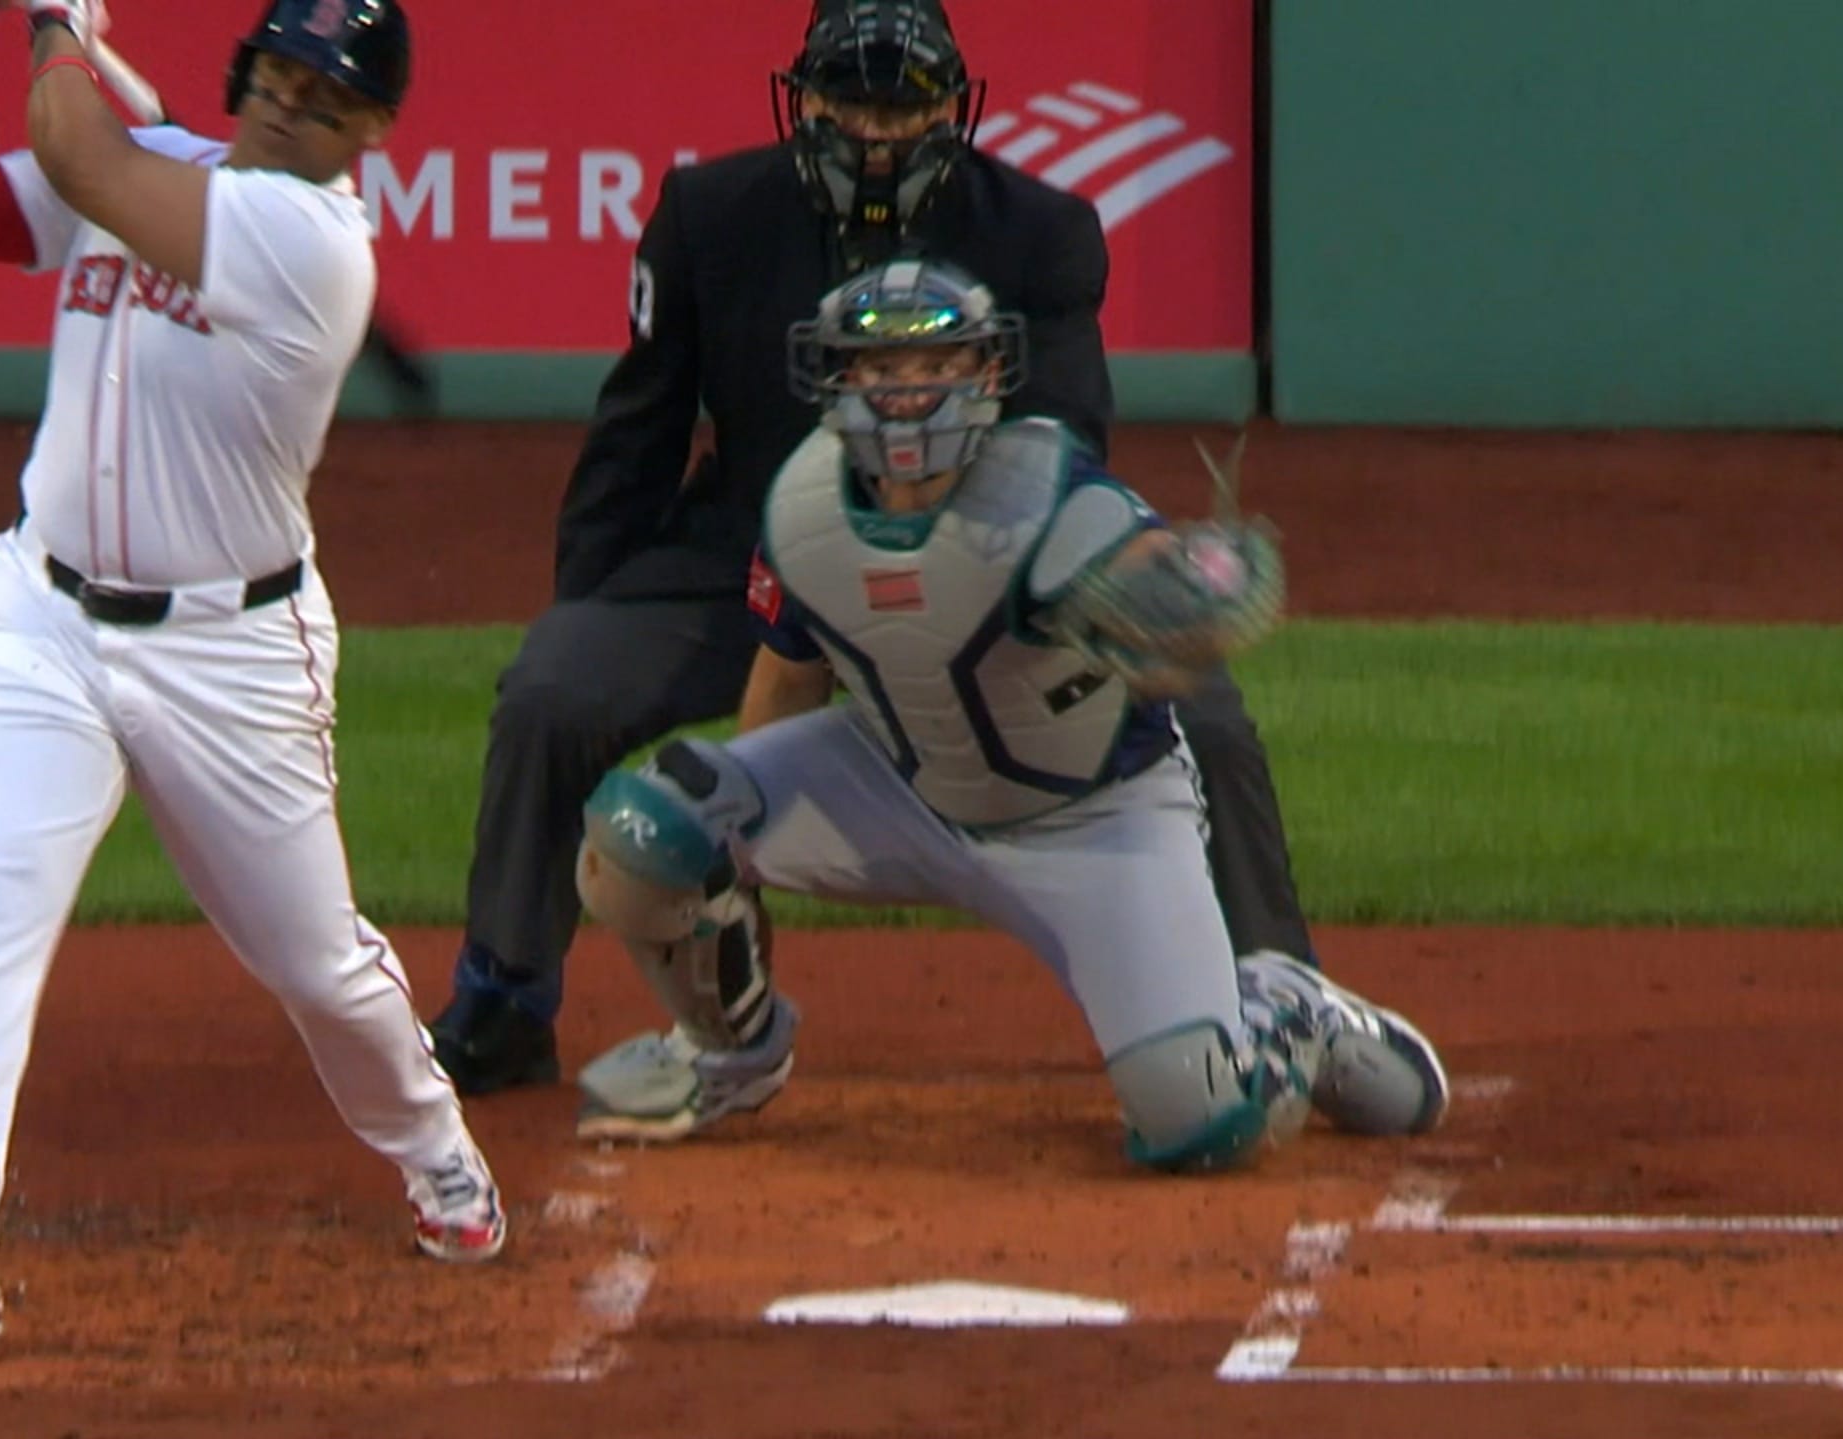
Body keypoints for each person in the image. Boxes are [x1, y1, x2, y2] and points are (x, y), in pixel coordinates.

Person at [428, 0, 1315, 1095]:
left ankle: (1284, 985)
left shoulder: (1040, 231)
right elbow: (636, 432)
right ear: (802, 100)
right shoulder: (711, 216)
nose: (875, 130)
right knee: (556, 689)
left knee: (1203, 718)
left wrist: (1058, 593)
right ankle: (505, 995)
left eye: (903, 105)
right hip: (760, 556)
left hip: (983, 572)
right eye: (850, 100)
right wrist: (588, 610)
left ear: (952, 108)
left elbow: (1064, 447)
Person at [0, 0, 503, 1358]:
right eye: (277, 74)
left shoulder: (310, 245)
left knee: (317, 965)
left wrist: (55, 22)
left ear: (370, 130)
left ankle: (433, 1144)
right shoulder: (164, 167)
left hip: (232, 655)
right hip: (40, 623)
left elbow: (81, 154)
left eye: (323, 94)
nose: (288, 103)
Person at [566, 259, 1450, 1165]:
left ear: (986, 375)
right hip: (899, 786)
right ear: (837, 379)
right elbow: (790, 678)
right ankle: (727, 1053)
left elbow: (1138, 558)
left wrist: (1182, 592)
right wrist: (729, 863)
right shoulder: (802, 510)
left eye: (935, 366)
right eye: (882, 370)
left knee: (1196, 1117)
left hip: (1096, 822)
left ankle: (1285, 1007)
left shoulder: (1048, 494)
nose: (908, 394)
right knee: (650, 825)